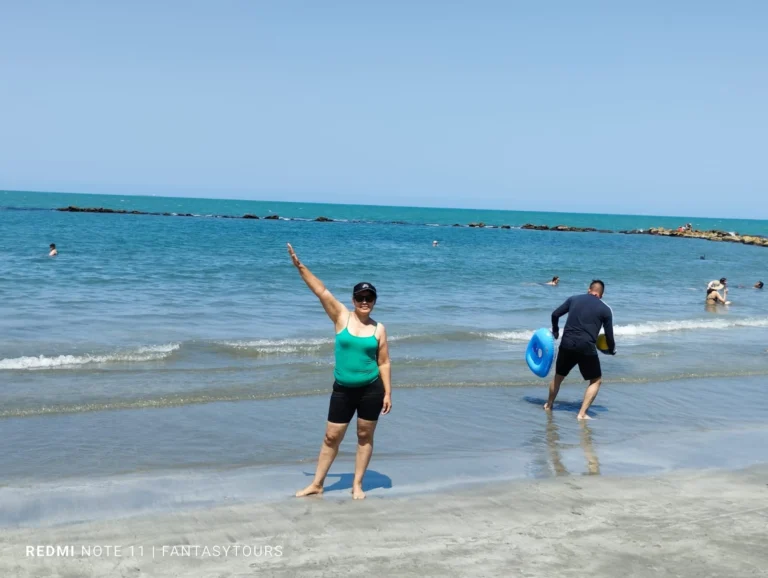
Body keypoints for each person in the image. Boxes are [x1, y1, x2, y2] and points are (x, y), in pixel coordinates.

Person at [287, 243, 392, 500]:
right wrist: (300, 267)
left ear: (374, 301)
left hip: (371, 389)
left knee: (364, 435)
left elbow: (384, 362)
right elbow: (321, 291)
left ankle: (357, 484)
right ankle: (317, 483)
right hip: (343, 389)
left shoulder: (379, 329)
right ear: (353, 300)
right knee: (331, 436)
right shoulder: (341, 318)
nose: (365, 302)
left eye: (369, 298)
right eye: (360, 298)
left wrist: (388, 392)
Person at [545, 280, 615, 420]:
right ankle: (582, 414)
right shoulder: (605, 309)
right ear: (601, 294)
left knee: (558, 377)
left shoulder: (573, 299)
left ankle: (549, 404)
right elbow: (609, 335)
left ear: (589, 289)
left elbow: (555, 314)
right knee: (596, 380)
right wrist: (611, 350)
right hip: (586, 347)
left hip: (567, 344)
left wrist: (556, 331)